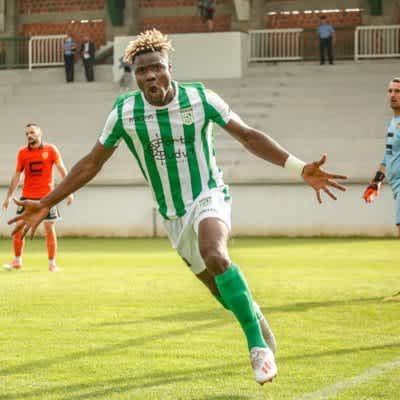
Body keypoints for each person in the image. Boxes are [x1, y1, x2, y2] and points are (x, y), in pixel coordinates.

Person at [9, 29, 347, 384]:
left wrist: (299, 168)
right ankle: (252, 313)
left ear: (170, 67)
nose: (151, 75)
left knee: (215, 253)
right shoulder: (125, 113)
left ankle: (256, 346)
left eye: (157, 67)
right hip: (173, 214)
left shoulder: (200, 98)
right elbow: (92, 163)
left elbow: (248, 136)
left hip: (208, 194)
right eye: (142, 70)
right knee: (218, 288)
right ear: (134, 75)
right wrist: (45, 202)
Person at [3, 123, 74, 272]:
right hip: (27, 197)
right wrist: (9, 196)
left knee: (49, 228)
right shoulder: (22, 153)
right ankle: (17, 261)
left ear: (40, 133)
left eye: (32, 132)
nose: (29, 136)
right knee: (18, 228)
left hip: (47, 198)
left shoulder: (51, 150)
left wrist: (69, 191)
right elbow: (17, 175)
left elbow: (62, 169)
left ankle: (52, 263)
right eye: (27, 134)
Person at [363, 77, 400, 303]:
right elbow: (387, 156)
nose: (393, 95)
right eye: (390, 91)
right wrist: (376, 182)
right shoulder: (392, 123)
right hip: (395, 185)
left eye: (398, 91)